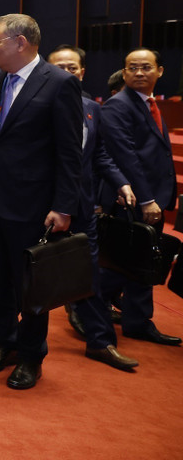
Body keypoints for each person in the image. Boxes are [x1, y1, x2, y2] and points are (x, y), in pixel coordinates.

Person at [0, 13, 82, 390]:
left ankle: (30, 356)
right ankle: (5, 342)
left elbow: (70, 153)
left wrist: (64, 205)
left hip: (35, 204)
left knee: (30, 286)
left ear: (20, 42)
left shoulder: (59, 84)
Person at [46, 45, 141, 370]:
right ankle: (13, 326)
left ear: (82, 72)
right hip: (44, 206)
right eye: (59, 67)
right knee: (33, 270)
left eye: (72, 67)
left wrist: (120, 182)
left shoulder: (92, 108)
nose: (66, 72)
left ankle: (100, 342)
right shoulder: (38, 105)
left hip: (83, 205)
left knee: (89, 276)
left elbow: (98, 154)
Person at [99, 47, 181, 347]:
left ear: (160, 71)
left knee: (141, 263)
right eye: (132, 67)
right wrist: (147, 199)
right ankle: (87, 310)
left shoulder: (150, 104)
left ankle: (137, 321)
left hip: (154, 196)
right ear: (123, 72)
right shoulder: (117, 106)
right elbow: (126, 158)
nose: (138, 73)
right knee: (121, 263)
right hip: (133, 199)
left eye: (146, 67)